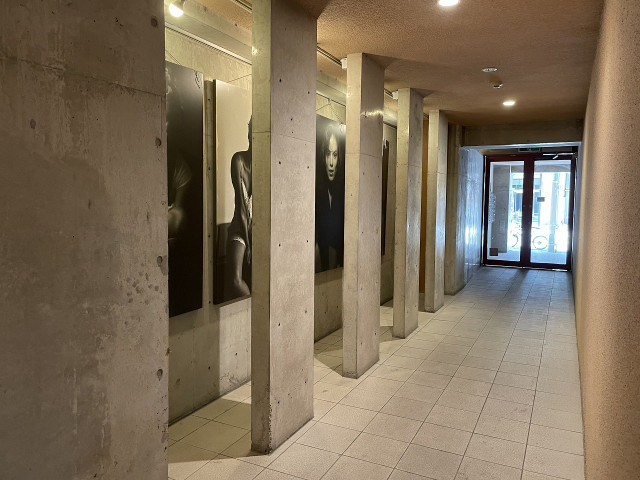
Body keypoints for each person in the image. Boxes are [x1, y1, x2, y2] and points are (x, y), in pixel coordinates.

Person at [226, 118, 252, 298]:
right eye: (252, 130)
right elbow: (242, 207)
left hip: (256, 231)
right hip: (239, 229)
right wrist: (249, 245)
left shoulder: (264, 166)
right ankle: (252, 306)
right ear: (249, 133)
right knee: (235, 280)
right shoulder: (238, 160)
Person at [315, 122, 345, 272]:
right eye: (328, 154)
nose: (331, 163)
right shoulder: (317, 190)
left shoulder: (344, 192)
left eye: (335, 155)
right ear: (323, 156)